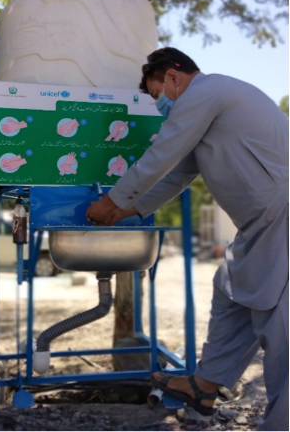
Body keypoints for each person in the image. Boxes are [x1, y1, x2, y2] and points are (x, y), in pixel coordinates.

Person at [86, 47, 288, 432]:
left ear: (174, 76)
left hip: (283, 215)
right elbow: (177, 174)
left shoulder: (206, 93)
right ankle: (205, 383)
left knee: (280, 326)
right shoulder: (205, 110)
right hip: (260, 222)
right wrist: (124, 210)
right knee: (229, 288)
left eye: (159, 94)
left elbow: (163, 153)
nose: (161, 104)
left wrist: (112, 199)